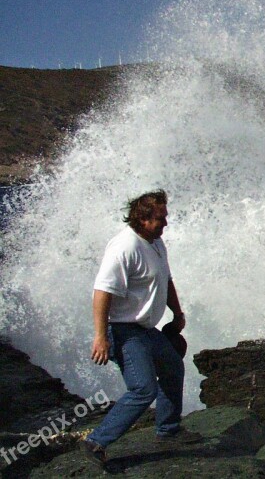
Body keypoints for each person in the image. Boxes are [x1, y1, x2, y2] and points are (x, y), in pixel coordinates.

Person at [81, 190, 201, 469]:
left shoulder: (156, 244)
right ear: (143, 219)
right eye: (161, 218)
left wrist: (178, 312)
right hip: (122, 331)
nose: (166, 223)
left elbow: (166, 280)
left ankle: (168, 430)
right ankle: (96, 441)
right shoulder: (125, 247)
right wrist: (100, 337)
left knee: (173, 368)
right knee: (143, 389)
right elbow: (102, 293)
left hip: (147, 330)